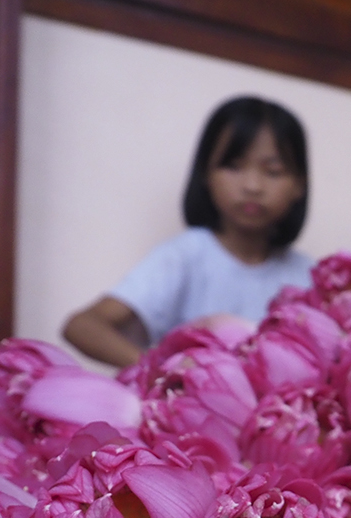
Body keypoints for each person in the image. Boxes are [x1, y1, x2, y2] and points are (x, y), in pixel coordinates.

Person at [63, 96, 313, 368]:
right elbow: (82, 326)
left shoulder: (309, 277)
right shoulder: (185, 257)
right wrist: (165, 370)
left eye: (273, 171)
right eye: (234, 166)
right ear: (205, 173)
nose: (253, 186)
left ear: (299, 185)